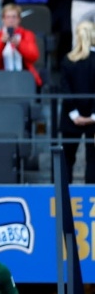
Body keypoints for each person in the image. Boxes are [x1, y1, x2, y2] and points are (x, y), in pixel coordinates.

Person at [59, 20, 95, 184]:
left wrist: (75, 115)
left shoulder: (68, 60)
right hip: (92, 120)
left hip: (70, 117)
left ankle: (64, 198)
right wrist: (93, 117)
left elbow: (65, 90)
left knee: (67, 158)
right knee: (93, 160)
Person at [0, 3, 42, 87]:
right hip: (1, 76)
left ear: (19, 19)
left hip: (23, 75)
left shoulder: (27, 35)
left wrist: (19, 44)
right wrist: (2, 43)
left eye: (14, 17)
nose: (11, 20)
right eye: (8, 17)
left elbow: (34, 56)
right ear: (3, 19)